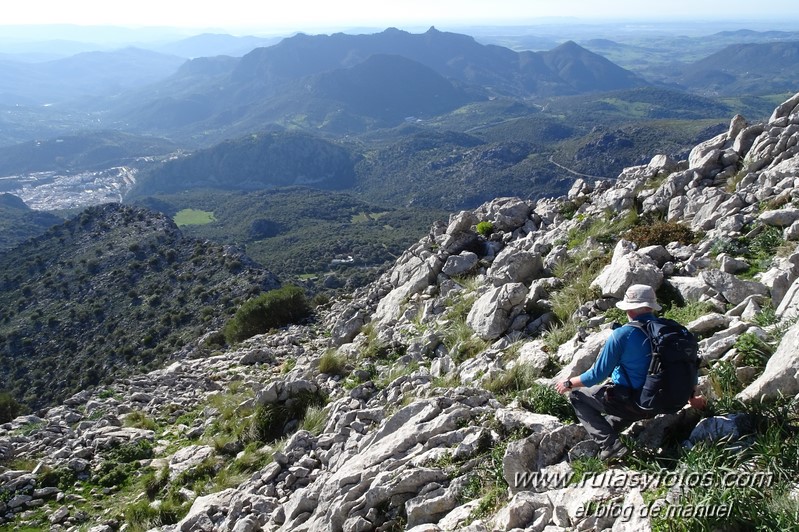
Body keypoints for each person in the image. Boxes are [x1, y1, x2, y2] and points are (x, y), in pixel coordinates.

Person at [555, 284, 706, 461]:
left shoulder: (623, 334)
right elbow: (690, 364)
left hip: (638, 404)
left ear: (629, 309)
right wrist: (692, 398)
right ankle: (610, 433)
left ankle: (610, 447)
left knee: (578, 397)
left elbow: (597, 375)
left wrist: (568, 383)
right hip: (670, 400)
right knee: (617, 407)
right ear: (651, 307)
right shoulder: (671, 331)